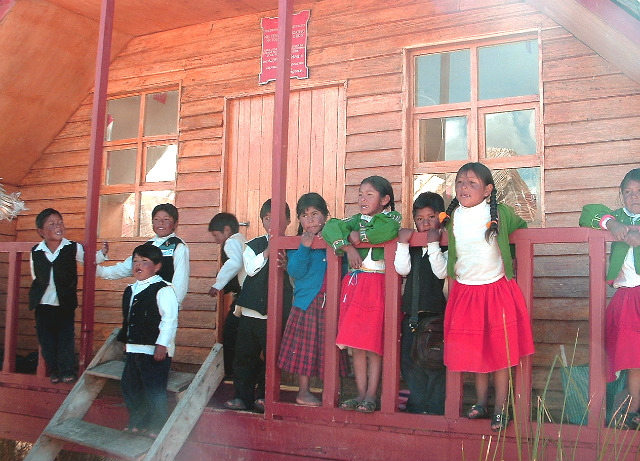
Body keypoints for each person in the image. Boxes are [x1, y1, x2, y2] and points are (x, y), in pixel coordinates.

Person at [429, 162, 534, 431]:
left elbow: (521, 227)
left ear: (487, 190)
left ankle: (501, 407)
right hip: (465, 291)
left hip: (496, 289)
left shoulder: (499, 213)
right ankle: (481, 402)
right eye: (460, 182)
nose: (464, 187)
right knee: (476, 350)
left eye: (472, 183)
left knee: (500, 352)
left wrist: (510, 255)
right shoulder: (451, 218)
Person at [323, 175, 401, 413]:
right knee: (357, 344)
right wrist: (347, 246)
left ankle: (371, 396)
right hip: (356, 285)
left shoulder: (390, 218)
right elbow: (330, 226)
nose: (363, 199)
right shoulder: (356, 219)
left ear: (385, 199)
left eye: (370, 194)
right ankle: (359, 394)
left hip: (377, 285)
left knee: (373, 344)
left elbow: (386, 231)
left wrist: (360, 237)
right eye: (360, 194)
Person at [579, 167, 640, 430]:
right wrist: (613, 224)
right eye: (628, 192)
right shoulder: (618, 217)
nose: (633, 197)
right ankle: (635, 405)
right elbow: (587, 213)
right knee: (633, 358)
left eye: (639, 191)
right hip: (627, 298)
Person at [277, 193, 350, 406]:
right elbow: (296, 271)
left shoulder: (335, 240)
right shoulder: (298, 243)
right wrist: (304, 248)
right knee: (305, 351)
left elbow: (344, 269)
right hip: (308, 303)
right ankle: (303, 392)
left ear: (325, 216)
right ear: (299, 219)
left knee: (330, 349)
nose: (309, 220)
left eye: (315, 214)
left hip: (332, 303)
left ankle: (331, 392)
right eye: (304, 215)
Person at [225, 199, 293, 412]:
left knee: (271, 357)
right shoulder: (253, 245)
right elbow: (251, 269)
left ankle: (265, 397)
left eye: (278, 219)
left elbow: (296, 277)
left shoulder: (293, 246)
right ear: (262, 221)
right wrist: (267, 252)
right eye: (267, 219)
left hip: (276, 313)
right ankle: (242, 397)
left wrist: (288, 266)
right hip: (251, 312)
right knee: (244, 356)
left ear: (288, 221)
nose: (272, 223)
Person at [29, 208, 108, 384]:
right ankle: (55, 370)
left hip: (64, 302)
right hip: (43, 303)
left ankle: (66, 370)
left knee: (65, 337)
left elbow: (89, 261)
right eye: (52, 224)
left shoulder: (72, 247)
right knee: (47, 340)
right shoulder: (36, 251)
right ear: (41, 231)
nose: (58, 226)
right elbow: (35, 275)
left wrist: (102, 254)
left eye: (60, 222)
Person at [394, 192, 447, 415]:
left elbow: (442, 271)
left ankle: (434, 407)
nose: (425, 224)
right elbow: (402, 269)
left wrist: (434, 245)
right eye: (419, 219)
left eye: (431, 217)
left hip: (436, 316)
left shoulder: (445, 245)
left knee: (435, 363)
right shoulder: (413, 246)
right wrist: (403, 245)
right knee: (409, 361)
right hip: (413, 316)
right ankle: (417, 404)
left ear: (441, 218)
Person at [117, 244, 178, 438]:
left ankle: (157, 425)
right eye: (135, 261)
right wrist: (127, 342)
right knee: (130, 386)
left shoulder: (163, 289)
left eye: (145, 261)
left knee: (154, 389)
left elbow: (170, 318)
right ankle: (138, 422)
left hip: (154, 350)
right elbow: (128, 318)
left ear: (157, 266)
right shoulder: (130, 290)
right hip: (134, 349)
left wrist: (162, 344)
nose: (138, 265)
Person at [97, 203, 190, 307]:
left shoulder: (178, 246)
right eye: (156, 219)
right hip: (143, 301)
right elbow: (126, 268)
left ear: (176, 223)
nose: (161, 223)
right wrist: (100, 271)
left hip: (164, 303)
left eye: (166, 219)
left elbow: (180, 280)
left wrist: (172, 305)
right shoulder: (148, 246)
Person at [208, 212, 247, 379]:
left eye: (216, 236)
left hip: (243, 297)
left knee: (230, 334)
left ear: (226, 230)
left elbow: (235, 262)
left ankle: (231, 374)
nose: (216, 240)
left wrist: (217, 284)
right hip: (247, 296)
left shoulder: (231, 242)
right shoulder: (242, 240)